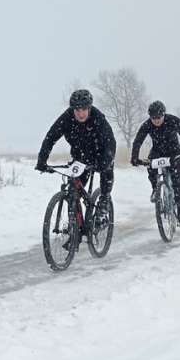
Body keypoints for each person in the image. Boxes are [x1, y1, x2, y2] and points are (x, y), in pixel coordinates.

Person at [35, 89, 117, 248]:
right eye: (77, 110)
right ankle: (77, 230)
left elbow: (110, 142)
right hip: (80, 157)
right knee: (73, 190)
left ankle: (105, 199)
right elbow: (50, 137)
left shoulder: (98, 118)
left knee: (108, 168)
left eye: (84, 109)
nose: (80, 114)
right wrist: (42, 160)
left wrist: (105, 161)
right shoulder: (66, 118)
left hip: (101, 154)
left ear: (89, 108)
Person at [129, 100, 180, 228]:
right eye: (153, 118)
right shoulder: (147, 125)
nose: (156, 121)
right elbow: (138, 141)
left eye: (159, 117)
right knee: (150, 166)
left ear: (164, 115)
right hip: (157, 152)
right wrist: (134, 157)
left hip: (173, 153)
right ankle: (155, 189)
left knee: (177, 183)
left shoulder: (173, 120)